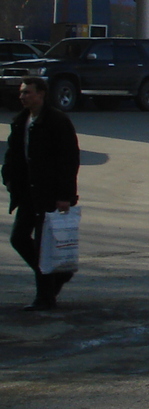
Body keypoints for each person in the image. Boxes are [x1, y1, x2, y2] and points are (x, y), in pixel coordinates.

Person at [2, 77, 80, 310]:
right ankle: (56, 277)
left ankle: (45, 297)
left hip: (49, 192)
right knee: (19, 238)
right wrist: (8, 178)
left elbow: (68, 160)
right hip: (27, 192)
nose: (23, 96)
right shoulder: (21, 121)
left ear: (41, 94)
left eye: (27, 92)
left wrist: (65, 195)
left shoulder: (56, 121)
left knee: (43, 246)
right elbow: (13, 155)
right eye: (22, 93)